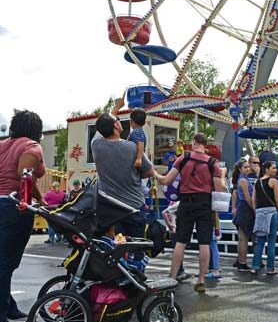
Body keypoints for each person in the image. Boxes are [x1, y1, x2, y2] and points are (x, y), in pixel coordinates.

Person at [0, 109, 46, 322]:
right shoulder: (31, 146)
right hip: (13, 208)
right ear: (36, 130)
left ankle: (8, 308)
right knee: (6, 264)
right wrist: (39, 199)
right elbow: (24, 175)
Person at [155, 133, 224, 293]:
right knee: (204, 242)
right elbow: (219, 188)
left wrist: (154, 174)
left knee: (181, 241)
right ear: (205, 145)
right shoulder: (212, 163)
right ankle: (201, 279)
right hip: (205, 204)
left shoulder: (183, 158)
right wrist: (222, 176)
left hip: (186, 202)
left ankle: (172, 277)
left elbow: (166, 181)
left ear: (193, 143)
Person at [91, 112, 157, 264]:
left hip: (111, 209)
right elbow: (148, 170)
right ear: (116, 125)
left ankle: (118, 281)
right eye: (118, 120)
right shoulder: (132, 148)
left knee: (116, 248)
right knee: (136, 248)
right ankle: (136, 279)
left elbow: (99, 131)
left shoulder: (96, 146)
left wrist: (115, 109)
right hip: (134, 206)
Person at [251, 161, 278, 275]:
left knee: (259, 241)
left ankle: (255, 266)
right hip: (271, 212)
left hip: (260, 213)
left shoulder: (257, 182)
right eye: (273, 168)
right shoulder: (273, 181)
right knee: (271, 242)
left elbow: (253, 199)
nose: (276, 170)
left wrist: (256, 212)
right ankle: (270, 268)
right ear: (267, 169)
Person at [231, 159, 254, 272]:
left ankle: (240, 260)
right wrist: (254, 209)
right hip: (245, 208)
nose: (248, 169)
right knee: (243, 238)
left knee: (242, 237)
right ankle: (242, 262)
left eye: (248, 167)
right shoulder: (243, 181)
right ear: (240, 169)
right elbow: (247, 197)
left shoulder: (243, 179)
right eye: (245, 167)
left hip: (242, 208)